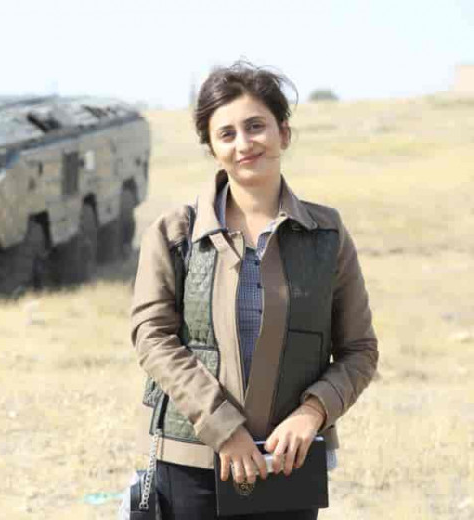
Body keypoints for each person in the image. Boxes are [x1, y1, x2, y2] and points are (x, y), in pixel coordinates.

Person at [130, 61, 378, 519]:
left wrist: (312, 414)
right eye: (226, 134)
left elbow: (359, 350)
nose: (244, 144)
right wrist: (224, 428)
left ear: (284, 133)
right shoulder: (174, 234)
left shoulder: (326, 235)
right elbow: (153, 338)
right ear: (213, 149)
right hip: (191, 461)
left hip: (290, 461)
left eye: (255, 126)